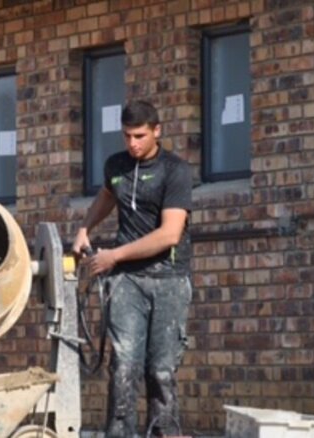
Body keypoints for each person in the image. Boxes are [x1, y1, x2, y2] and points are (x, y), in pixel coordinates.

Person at [71, 100, 193, 438]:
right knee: (124, 366)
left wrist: (114, 255)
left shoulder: (176, 171)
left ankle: (163, 433)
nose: (133, 143)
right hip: (126, 283)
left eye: (139, 135)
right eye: (127, 136)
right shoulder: (117, 165)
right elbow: (108, 195)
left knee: (161, 371)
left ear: (157, 131)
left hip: (168, 280)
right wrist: (85, 228)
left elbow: (170, 234)